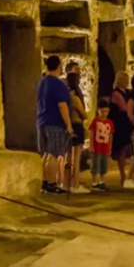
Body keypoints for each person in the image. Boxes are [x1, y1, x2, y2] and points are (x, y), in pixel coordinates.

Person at [36, 55, 73, 194]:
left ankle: (45, 182)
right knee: (54, 154)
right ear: (58, 66)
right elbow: (62, 105)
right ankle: (51, 184)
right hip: (55, 123)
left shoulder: (42, 82)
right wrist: (68, 125)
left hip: (42, 121)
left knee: (46, 154)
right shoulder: (58, 84)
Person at [109, 71, 133, 185]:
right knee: (122, 150)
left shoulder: (128, 92)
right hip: (120, 124)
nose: (126, 82)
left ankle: (128, 175)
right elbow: (124, 107)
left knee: (128, 148)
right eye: (124, 79)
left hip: (127, 124)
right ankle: (123, 174)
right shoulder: (116, 93)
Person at [66, 71, 88, 193]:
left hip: (68, 125)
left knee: (67, 157)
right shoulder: (75, 98)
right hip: (77, 125)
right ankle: (75, 184)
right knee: (76, 158)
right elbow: (84, 115)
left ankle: (66, 183)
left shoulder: (64, 97)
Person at [88, 98, 114, 192]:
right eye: (102, 111)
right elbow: (91, 133)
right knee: (96, 163)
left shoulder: (110, 122)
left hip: (105, 147)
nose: (104, 113)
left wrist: (110, 147)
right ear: (98, 110)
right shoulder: (95, 121)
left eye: (106, 111)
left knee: (103, 165)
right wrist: (91, 145)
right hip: (96, 146)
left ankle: (101, 181)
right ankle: (95, 182)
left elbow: (110, 135)